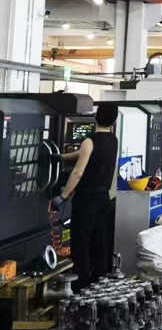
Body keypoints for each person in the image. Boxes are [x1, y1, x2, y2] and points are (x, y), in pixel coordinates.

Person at [51, 103, 119, 289]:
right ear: (114, 121)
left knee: (81, 241)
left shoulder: (90, 141)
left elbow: (78, 172)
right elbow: (84, 153)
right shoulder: (113, 140)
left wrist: (63, 196)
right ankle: (99, 282)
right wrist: (61, 157)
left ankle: (80, 284)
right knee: (99, 239)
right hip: (103, 198)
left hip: (86, 199)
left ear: (95, 117)